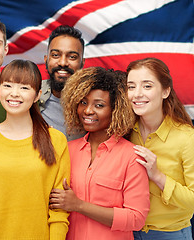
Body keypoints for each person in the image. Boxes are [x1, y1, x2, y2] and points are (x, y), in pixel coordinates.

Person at [0, 59, 70, 239]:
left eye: (24, 88)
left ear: (37, 95)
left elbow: (59, 210)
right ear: (0, 89)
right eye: (8, 85)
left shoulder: (56, 140)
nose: (14, 94)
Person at [50, 67, 150, 240]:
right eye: (83, 102)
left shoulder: (132, 157)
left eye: (99, 105)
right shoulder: (67, 150)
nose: (88, 111)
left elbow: (137, 218)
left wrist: (79, 205)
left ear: (116, 110)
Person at [126, 57, 194, 240]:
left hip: (170, 234)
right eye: (131, 87)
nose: (137, 94)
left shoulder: (187, 138)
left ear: (165, 91)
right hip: (127, 232)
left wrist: (157, 176)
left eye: (147, 86)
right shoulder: (123, 132)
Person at [39, 25, 85, 140]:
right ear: (46, 59)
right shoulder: (30, 94)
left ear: (82, 63)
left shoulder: (93, 101)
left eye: (72, 57)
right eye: (55, 55)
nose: (63, 62)